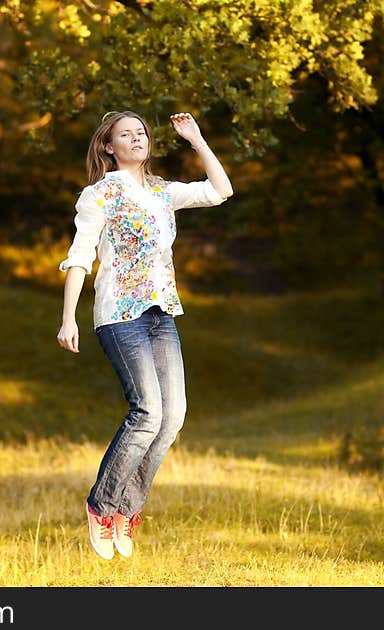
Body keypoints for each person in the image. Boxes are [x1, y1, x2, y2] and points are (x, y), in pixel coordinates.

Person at [56, 110, 233, 559]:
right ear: (109, 147)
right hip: (119, 315)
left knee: (173, 417)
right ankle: (101, 505)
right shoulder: (99, 195)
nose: (136, 139)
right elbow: (79, 257)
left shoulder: (161, 191)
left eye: (141, 133)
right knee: (148, 412)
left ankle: (126, 511)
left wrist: (196, 139)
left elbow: (220, 191)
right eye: (125, 135)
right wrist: (68, 318)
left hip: (161, 315)